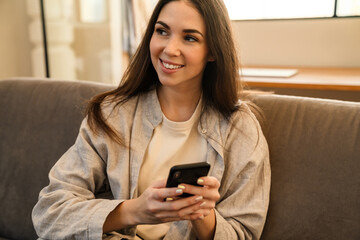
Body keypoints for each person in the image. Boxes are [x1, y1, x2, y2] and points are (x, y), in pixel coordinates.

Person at [32, 0, 271, 239]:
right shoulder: (113, 114)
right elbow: (50, 212)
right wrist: (135, 211)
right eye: (162, 31)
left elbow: (245, 234)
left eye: (190, 38)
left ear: (213, 51)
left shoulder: (241, 130)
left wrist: (201, 212)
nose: (169, 49)